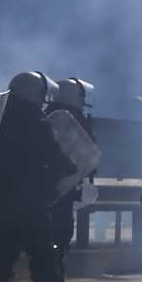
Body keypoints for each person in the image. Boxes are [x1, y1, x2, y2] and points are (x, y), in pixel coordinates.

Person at [0, 72, 75, 282]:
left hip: (1, 199)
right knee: (44, 258)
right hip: (31, 202)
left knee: (1, 260)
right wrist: (70, 167)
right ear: (35, 93)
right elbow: (54, 155)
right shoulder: (36, 121)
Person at [47, 77, 97, 269]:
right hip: (64, 189)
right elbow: (88, 156)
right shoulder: (75, 121)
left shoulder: (44, 116)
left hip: (41, 191)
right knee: (60, 239)